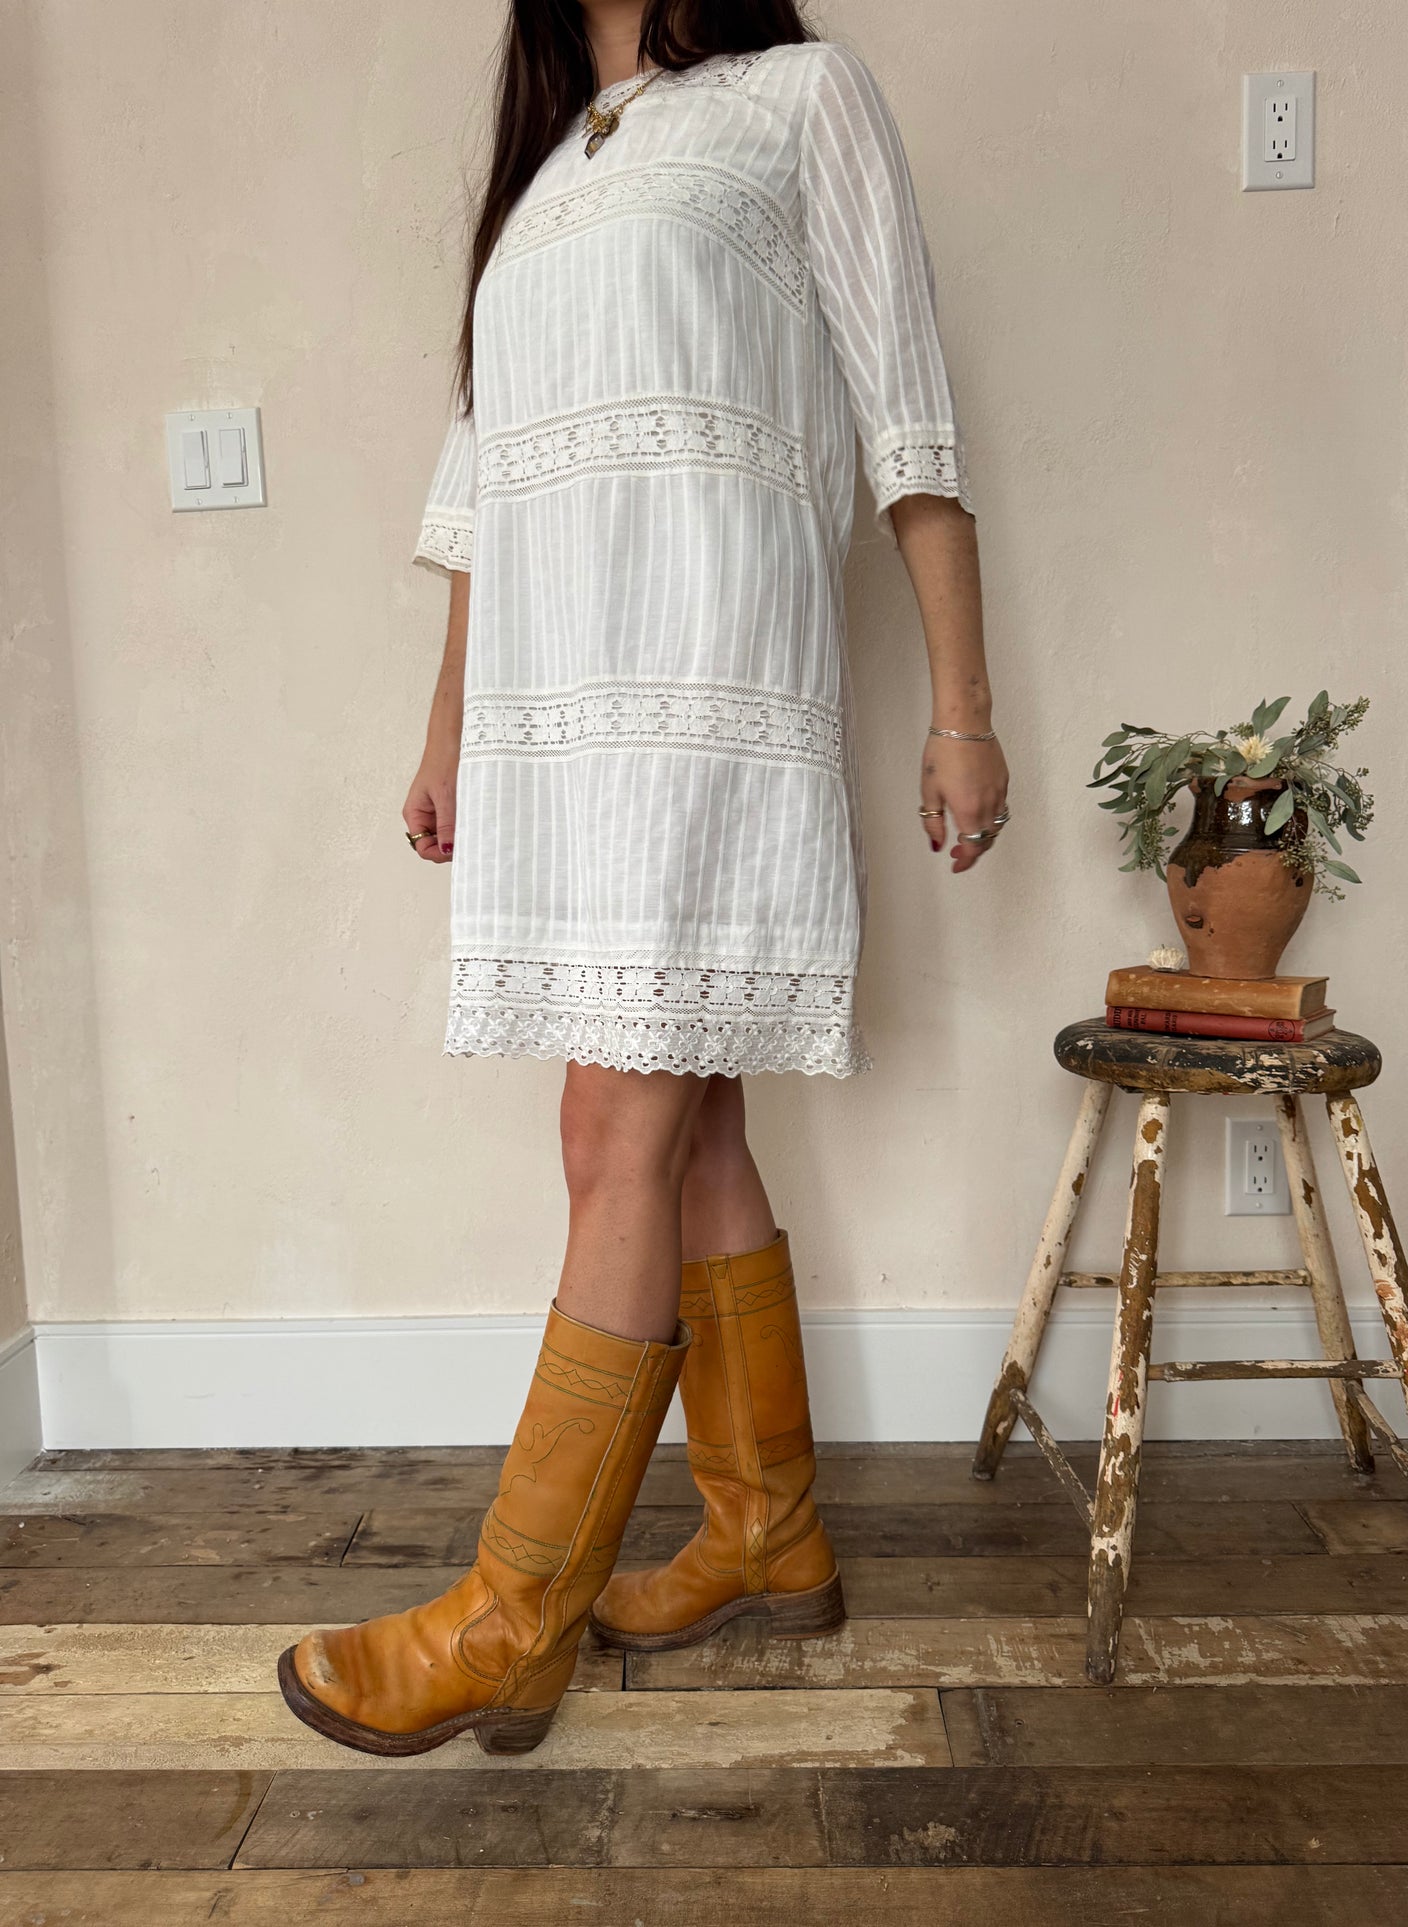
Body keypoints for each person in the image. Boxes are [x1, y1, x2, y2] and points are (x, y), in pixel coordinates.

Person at [278, 0, 1008, 1757]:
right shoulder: (539, 179)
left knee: (614, 1129)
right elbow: (483, 487)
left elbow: (908, 416)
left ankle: (512, 1618)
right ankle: (768, 1532)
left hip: (707, 685)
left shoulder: (794, 99)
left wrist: (961, 713)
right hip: (558, 712)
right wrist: (451, 725)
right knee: (691, 1132)